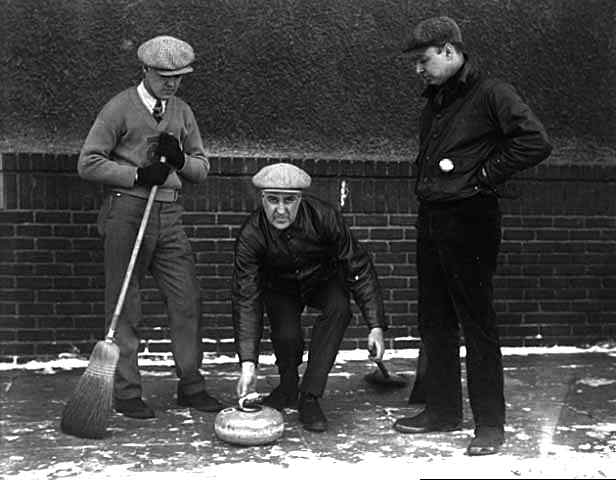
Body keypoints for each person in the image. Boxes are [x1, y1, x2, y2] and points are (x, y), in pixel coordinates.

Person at [393, 17, 552, 455]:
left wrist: (483, 176)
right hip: (433, 218)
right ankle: (443, 412)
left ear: (448, 50)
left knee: (476, 324)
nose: (418, 70)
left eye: (423, 60)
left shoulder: (491, 92)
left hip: (470, 220)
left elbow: (535, 142)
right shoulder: (439, 99)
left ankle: (490, 425)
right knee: (435, 319)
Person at [77, 35, 223, 419]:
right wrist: (137, 173)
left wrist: (178, 160)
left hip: (170, 214)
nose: (171, 84)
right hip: (127, 210)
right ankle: (126, 392)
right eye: (164, 76)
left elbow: (201, 168)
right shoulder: (119, 109)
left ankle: (191, 386)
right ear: (145, 71)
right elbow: (88, 162)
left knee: (186, 298)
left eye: (178, 77)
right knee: (126, 304)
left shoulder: (183, 112)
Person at [232, 163, 387, 432]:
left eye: (289, 200)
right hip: (280, 287)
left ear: (300, 199)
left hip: (322, 281)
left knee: (339, 308)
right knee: (287, 336)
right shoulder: (251, 234)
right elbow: (246, 298)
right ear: (262, 200)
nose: (281, 210)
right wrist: (248, 363)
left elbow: (358, 266)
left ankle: (310, 395)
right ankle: (288, 386)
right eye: (273, 200)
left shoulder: (324, 216)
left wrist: (375, 325)